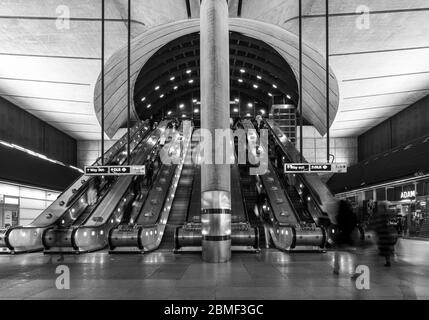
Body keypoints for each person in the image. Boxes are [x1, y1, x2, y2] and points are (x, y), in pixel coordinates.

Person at [372, 201, 397, 267]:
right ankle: (387, 261)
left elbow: (382, 223)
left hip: (384, 234)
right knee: (384, 248)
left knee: (385, 248)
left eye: (380, 207)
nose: (379, 208)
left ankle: (388, 261)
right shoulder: (382, 214)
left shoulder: (383, 215)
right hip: (383, 234)